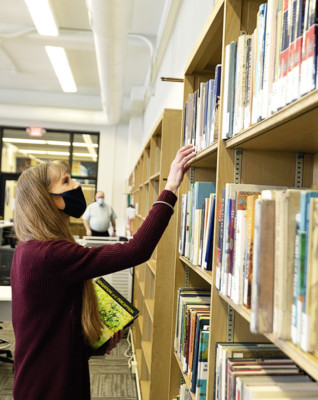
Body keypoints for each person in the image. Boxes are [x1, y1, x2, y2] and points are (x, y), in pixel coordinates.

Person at [11, 144, 196, 400]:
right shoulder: (48, 254)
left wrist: (91, 343)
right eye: (66, 181)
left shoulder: (28, 249)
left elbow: (48, 323)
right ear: (46, 198)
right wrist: (171, 187)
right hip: (50, 386)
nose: (76, 185)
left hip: (47, 376)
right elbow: (136, 251)